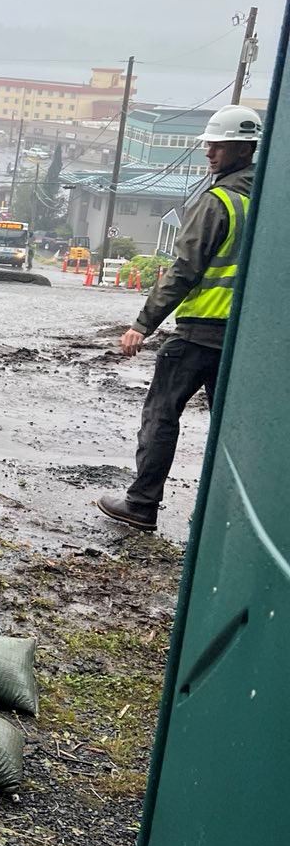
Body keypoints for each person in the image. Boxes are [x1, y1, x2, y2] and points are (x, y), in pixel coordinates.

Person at [98, 105, 260, 532]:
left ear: (244, 149)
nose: (209, 152)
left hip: (197, 333)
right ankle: (219, 515)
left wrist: (143, 324)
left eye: (218, 145)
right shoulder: (264, 203)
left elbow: (184, 270)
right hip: (240, 339)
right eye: (210, 144)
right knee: (229, 430)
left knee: (161, 415)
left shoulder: (219, 201)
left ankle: (141, 504)